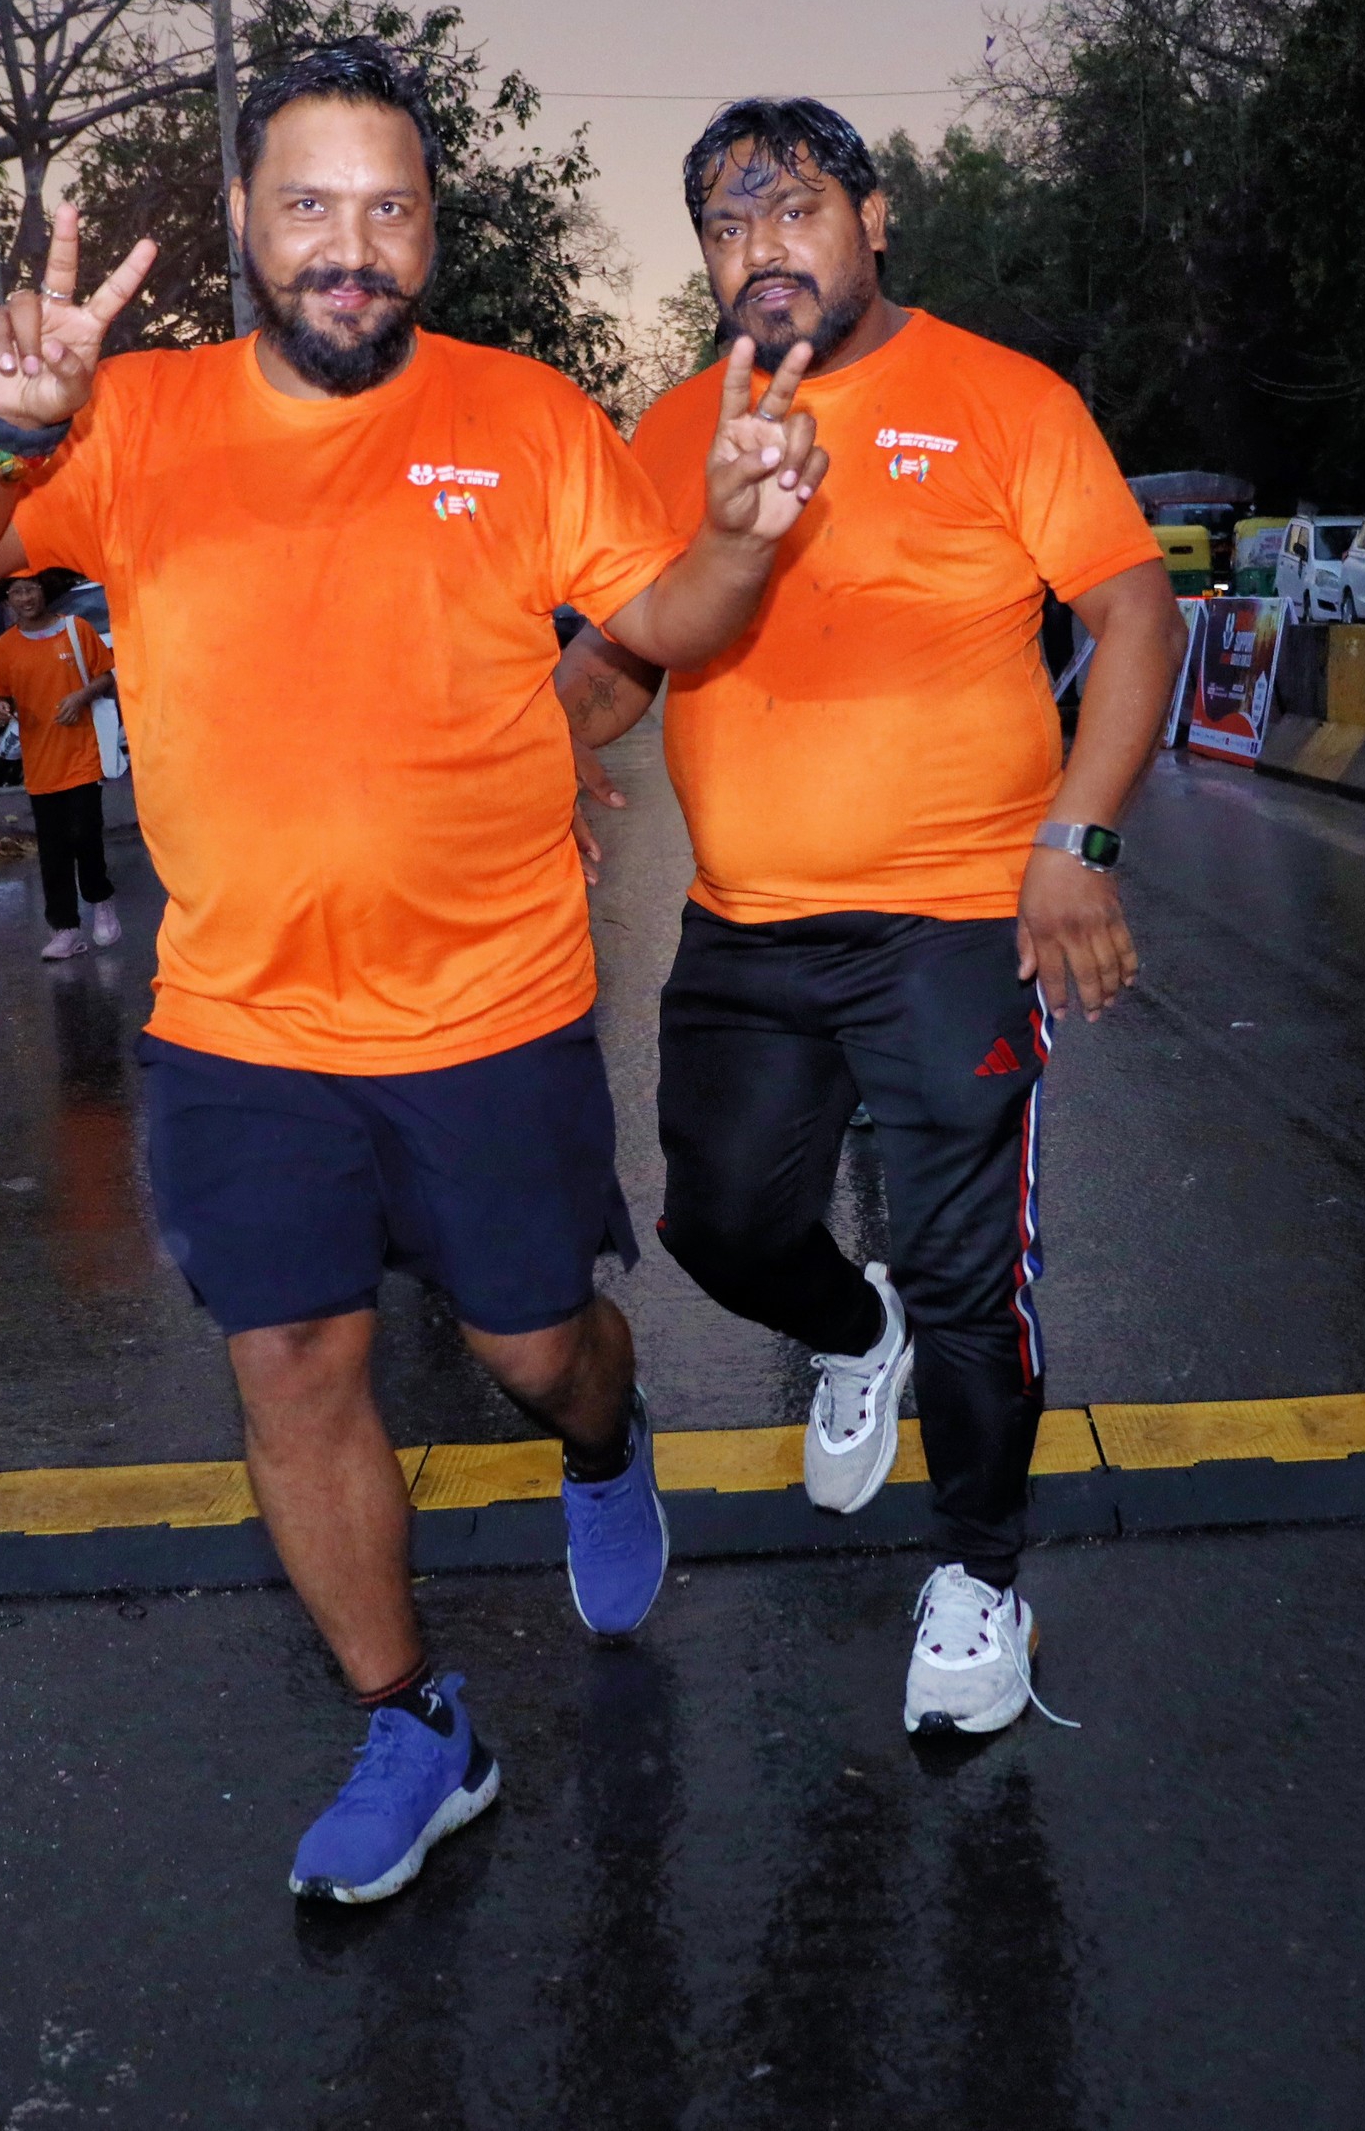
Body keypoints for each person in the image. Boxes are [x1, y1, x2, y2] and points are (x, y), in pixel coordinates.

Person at [0, 36, 823, 1905]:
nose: (349, 243)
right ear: (242, 215)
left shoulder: (523, 414)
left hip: (492, 1004)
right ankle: (413, 1720)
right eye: (308, 202)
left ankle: (605, 1440)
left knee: (531, 1347)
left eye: (387, 207)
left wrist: (735, 536)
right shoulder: (133, 414)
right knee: (294, 1364)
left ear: (428, 229)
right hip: (239, 1021)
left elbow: (671, 618)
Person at [559, 98, 1181, 1736]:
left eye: (794, 208)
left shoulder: (999, 396)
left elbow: (1132, 610)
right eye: (725, 223)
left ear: (874, 218)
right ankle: (852, 1330)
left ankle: (978, 1573)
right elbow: (622, 652)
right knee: (718, 1226)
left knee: (970, 1272)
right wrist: (524, 747)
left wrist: (1077, 836)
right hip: (745, 924)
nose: (758, 246)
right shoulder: (671, 428)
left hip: (957, 919)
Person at [0, 568, 125, 960]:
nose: (25, 599)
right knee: (53, 849)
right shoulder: (4, 648)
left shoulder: (76, 630)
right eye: (17, 592)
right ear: (8, 600)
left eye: (31, 590)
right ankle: (65, 929)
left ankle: (100, 899)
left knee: (84, 834)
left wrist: (80, 697)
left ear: (43, 592)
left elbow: (106, 677)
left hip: (83, 755)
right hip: (39, 764)